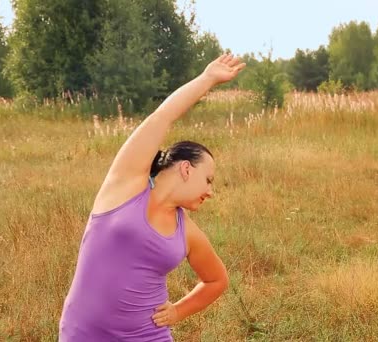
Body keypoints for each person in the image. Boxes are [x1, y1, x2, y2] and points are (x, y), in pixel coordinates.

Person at [59, 53, 246, 341]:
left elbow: (216, 280)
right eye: (208, 180)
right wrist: (206, 79)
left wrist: (178, 311)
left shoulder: (188, 233)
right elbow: (163, 116)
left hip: (147, 335)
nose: (211, 191)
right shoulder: (126, 185)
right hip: (84, 333)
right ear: (186, 168)